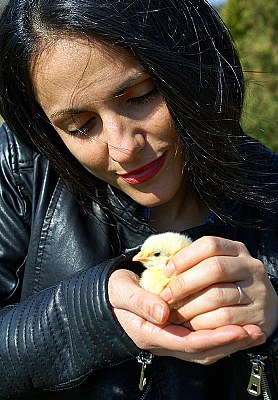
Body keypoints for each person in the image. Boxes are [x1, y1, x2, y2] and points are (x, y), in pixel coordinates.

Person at [0, 0, 277, 398]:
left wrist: (272, 328)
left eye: (139, 96)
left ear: (191, 63)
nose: (123, 148)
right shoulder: (20, 170)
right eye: (79, 127)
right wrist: (88, 317)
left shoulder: (271, 197)